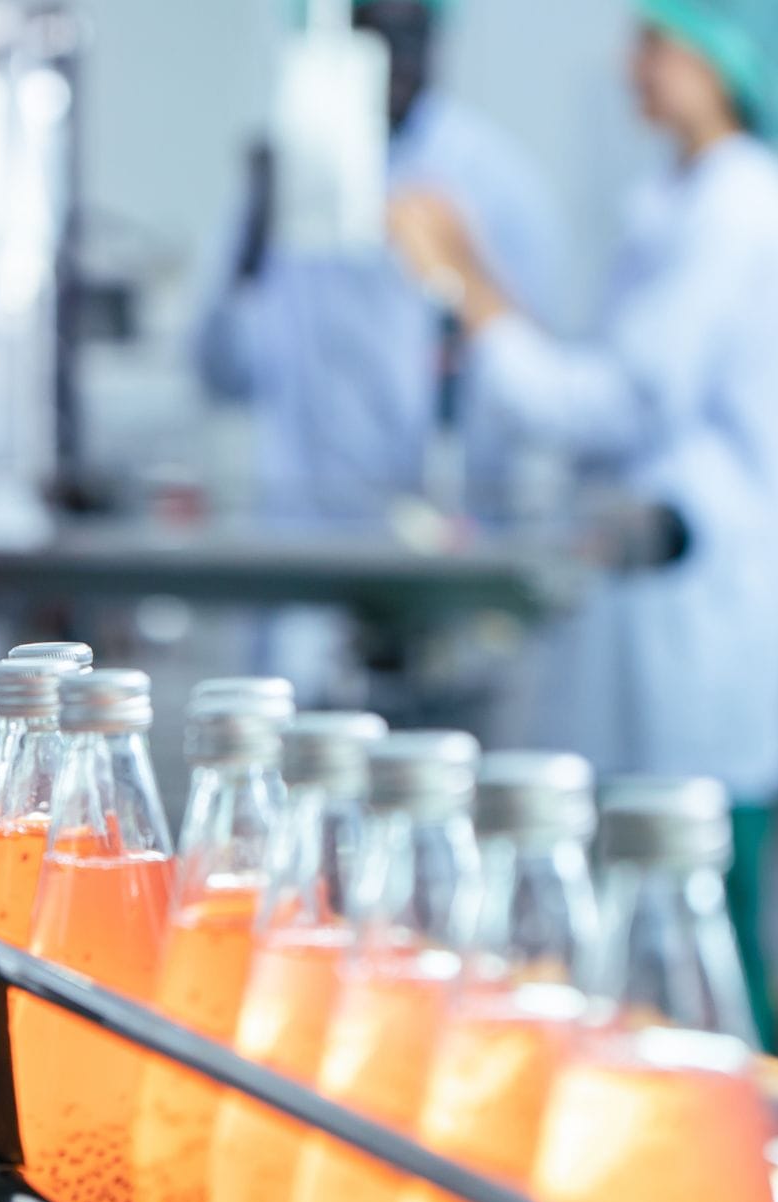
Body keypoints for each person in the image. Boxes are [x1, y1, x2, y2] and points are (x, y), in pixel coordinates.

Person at [389, 0, 778, 1052]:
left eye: (658, 39)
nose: (634, 62)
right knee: (655, 922)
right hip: (661, 610)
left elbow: (622, 401)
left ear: (722, 57)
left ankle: (756, 1185)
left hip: (701, 606)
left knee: (708, 924)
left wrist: (470, 285)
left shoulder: (739, 208)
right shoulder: (678, 200)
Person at [194, 0, 562, 695]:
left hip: (437, 587)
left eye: (407, 27)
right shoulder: (291, 168)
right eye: (368, 26)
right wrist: (254, 235)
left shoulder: (494, 183)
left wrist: (460, 275)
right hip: (299, 581)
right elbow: (219, 371)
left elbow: (531, 396)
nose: (391, 53)